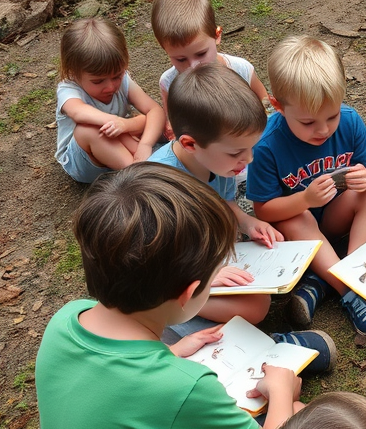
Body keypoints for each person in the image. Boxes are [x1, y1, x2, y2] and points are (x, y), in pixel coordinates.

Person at [35, 163, 305, 429]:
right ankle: (290, 362)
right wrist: (283, 393)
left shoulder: (67, 320)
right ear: (191, 294)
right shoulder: (181, 388)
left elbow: (114, 387)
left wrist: (174, 350)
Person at [148, 64, 336, 372]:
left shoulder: (216, 162)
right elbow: (151, 260)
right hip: (164, 283)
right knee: (249, 309)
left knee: (257, 304)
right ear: (190, 144)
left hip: (200, 263)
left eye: (251, 149)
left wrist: (246, 222)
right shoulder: (160, 188)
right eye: (238, 153)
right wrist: (205, 276)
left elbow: (222, 201)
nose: (247, 160)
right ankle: (255, 349)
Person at [247, 36, 366, 337]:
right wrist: (305, 199)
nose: (323, 129)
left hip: (335, 218)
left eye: (332, 115)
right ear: (277, 106)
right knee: (298, 217)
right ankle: (349, 291)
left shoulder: (350, 122)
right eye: (308, 122)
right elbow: (264, 210)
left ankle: (360, 270)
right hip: (297, 235)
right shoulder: (266, 146)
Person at [54, 18, 164, 183]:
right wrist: (118, 122)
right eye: (98, 81)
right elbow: (77, 112)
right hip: (84, 161)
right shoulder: (68, 88)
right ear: (73, 73)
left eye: (117, 76)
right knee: (91, 128)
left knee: (148, 120)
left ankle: (145, 158)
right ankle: (141, 174)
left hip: (118, 142)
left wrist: (144, 144)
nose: (111, 87)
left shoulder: (122, 80)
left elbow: (154, 110)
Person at [151, 0, 270, 141]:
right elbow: (173, 121)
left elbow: (266, 105)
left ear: (217, 35)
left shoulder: (241, 69)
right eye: (181, 59)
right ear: (163, 47)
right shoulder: (169, 82)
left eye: (201, 54)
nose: (193, 66)